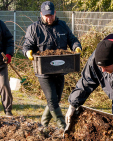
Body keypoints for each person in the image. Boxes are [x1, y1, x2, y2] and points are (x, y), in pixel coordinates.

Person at [22, 1, 82, 129]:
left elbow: (72, 39)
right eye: (46, 15)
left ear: (55, 13)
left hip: (60, 68)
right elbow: (27, 44)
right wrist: (28, 52)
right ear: (41, 14)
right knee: (52, 100)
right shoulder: (34, 28)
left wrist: (76, 47)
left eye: (51, 15)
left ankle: (43, 124)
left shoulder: (62, 26)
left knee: (56, 99)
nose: (49, 18)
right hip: (43, 69)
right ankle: (63, 126)